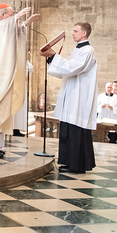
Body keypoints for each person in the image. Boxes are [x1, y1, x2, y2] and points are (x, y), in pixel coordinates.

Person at [0, 4, 40, 157]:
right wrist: (16, 18)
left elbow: (10, 31)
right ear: (2, 14)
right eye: (10, 16)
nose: (11, 19)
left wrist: (25, 24)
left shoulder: (1, 24)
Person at [40, 22, 98, 173]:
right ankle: (68, 162)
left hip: (79, 97)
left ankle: (77, 165)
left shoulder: (88, 50)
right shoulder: (77, 50)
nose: (72, 33)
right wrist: (52, 58)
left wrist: (54, 55)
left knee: (75, 129)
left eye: (75, 31)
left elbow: (72, 68)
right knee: (67, 128)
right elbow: (65, 70)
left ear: (84, 33)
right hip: (71, 94)